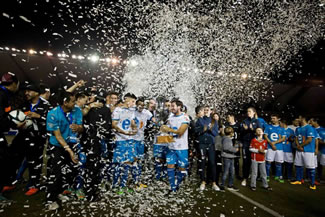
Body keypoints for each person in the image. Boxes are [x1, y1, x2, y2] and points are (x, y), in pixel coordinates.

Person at [46, 91, 83, 210]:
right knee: (56, 172)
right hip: (57, 145)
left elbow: (81, 127)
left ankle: (59, 192)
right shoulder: (53, 114)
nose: (75, 103)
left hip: (72, 143)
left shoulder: (77, 110)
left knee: (69, 171)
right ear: (65, 102)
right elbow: (58, 136)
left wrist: (79, 128)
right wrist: (70, 152)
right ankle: (50, 199)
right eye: (72, 101)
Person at [160, 99, 189, 193]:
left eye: (173, 106)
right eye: (171, 106)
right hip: (171, 147)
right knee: (170, 166)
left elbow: (180, 132)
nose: (171, 108)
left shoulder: (185, 117)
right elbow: (164, 129)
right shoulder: (170, 117)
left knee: (182, 169)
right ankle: (172, 187)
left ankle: (177, 184)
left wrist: (169, 129)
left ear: (179, 107)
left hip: (182, 148)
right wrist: (163, 129)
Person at [111, 93, 137, 194]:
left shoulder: (131, 111)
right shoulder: (118, 110)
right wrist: (124, 132)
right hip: (120, 140)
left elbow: (132, 122)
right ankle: (115, 185)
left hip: (129, 140)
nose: (134, 104)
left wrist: (134, 128)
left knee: (128, 163)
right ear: (126, 100)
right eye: (133, 101)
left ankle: (123, 185)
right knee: (118, 163)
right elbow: (114, 125)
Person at [0, 72, 20, 201]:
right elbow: (1, 117)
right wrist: (15, 124)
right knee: (3, 159)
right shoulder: (1, 95)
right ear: (13, 84)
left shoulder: (3, 94)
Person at [195, 106, 220, 191]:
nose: (206, 111)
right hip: (202, 144)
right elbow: (196, 131)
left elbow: (216, 133)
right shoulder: (199, 120)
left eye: (207, 110)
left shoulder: (214, 121)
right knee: (202, 162)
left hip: (211, 144)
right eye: (204, 110)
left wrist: (210, 130)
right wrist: (203, 129)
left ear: (210, 111)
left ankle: (214, 182)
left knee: (212, 163)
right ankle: (203, 181)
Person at [132, 98, 154, 189]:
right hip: (132, 140)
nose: (141, 106)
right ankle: (133, 181)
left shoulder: (147, 113)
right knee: (133, 161)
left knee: (140, 161)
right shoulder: (132, 112)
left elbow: (154, 119)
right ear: (136, 105)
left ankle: (138, 181)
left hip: (141, 140)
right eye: (139, 104)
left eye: (143, 105)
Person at [290, 115, 317, 190]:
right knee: (298, 165)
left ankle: (312, 183)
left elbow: (309, 140)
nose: (298, 119)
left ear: (303, 119)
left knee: (310, 167)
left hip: (308, 150)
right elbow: (296, 138)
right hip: (299, 150)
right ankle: (298, 180)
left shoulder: (309, 128)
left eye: (299, 118)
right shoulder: (298, 128)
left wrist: (300, 146)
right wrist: (298, 146)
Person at [240, 107, 262, 187]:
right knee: (246, 161)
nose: (248, 112)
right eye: (247, 111)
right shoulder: (245, 121)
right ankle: (245, 178)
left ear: (254, 112)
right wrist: (245, 130)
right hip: (246, 143)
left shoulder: (257, 121)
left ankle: (256, 176)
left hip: (255, 143)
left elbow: (260, 131)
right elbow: (241, 132)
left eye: (249, 111)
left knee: (255, 160)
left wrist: (252, 129)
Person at [264, 114, 285, 183]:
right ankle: (267, 175)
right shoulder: (268, 127)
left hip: (279, 148)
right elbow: (265, 136)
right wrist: (271, 143)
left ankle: (278, 175)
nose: (272, 119)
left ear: (278, 119)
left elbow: (283, 138)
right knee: (268, 162)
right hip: (270, 147)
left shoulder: (282, 128)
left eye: (274, 118)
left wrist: (274, 143)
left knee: (279, 163)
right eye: (271, 118)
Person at [220, 127, 239, 191]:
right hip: (227, 157)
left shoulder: (228, 139)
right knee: (226, 171)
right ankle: (222, 184)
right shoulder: (226, 139)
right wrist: (235, 150)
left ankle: (230, 184)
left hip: (230, 157)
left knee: (231, 171)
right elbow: (226, 148)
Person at [225, 114, 241, 179]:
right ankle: (228, 174)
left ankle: (237, 174)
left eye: (229, 117)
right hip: (228, 144)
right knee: (227, 159)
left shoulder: (238, 125)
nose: (228, 118)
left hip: (235, 144)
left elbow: (240, 134)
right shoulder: (226, 125)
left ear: (232, 117)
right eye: (227, 117)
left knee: (236, 160)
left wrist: (239, 143)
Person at [309, 118, 325, 182]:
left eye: (311, 121)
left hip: (322, 150)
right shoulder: (311, 129)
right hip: (313, 150)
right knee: (316, 164)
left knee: (321, 164)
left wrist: (318, 141)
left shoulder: (323, 130)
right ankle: (317, 177)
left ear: (315, 122)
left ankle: (320, 177)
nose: (310, 122)